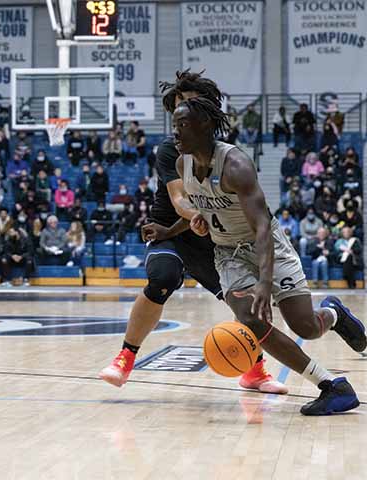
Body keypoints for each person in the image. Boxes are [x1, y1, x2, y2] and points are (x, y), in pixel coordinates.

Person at [146, 92, 365, 415]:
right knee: (250, 319)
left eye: (182, 125)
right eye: (174, 125)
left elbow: (262, 226)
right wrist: (169, 231)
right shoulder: (183, 164)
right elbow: (202, 209)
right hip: (228, 254)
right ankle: (332, 386)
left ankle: (333, 314)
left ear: (205, 125)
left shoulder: (236, 165)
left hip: (267, 246)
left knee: (305, 326)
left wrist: (264, 282)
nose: (175, 132)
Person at [100, 70, 287, 396]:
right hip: (171, 230)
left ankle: (255, 370)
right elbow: (179, 199)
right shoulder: (170, 149)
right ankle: (125, 358)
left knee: (241, 302)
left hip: (213, 237)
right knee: (162, 278)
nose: (181, 117)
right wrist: (196, 214)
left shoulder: (228, 155)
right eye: (176, 111)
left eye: (187, 106)